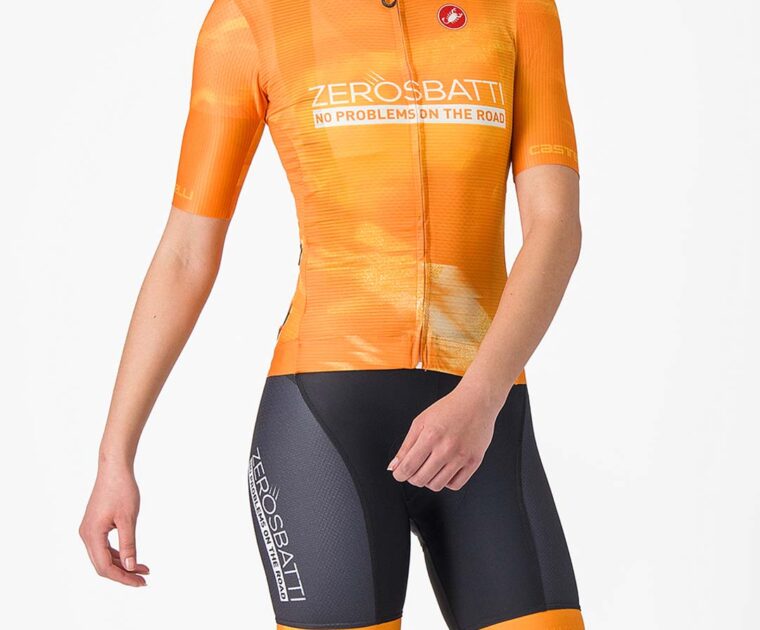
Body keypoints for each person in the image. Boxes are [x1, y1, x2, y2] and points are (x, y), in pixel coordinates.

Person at [80, 0, 584, 628]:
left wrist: (480, 398)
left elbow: (556, 228)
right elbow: (186, 252)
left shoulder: (515, 9)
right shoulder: (251, 17)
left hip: (485, 419)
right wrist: (115, 458)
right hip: (324, 427)